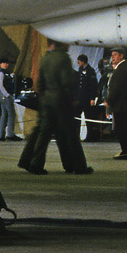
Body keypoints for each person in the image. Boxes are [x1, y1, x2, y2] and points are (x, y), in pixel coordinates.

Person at [18, 39, 91, 175]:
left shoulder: (46, 58)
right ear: (63, 43)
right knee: (70, 134)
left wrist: (44, 96)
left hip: (47, 100)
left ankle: (32, 162)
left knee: (42, 132)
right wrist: (72, 98)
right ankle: (78, 165)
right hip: (61, 101)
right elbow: (66, 81)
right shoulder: (64, 58)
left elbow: (40, 82)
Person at [0, 61, 22, 141]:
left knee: (4, 114)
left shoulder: (6, 73)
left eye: (7, 63)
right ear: (0, 64)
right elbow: (0, 85)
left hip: (3, 95)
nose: (6, 65)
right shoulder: (1, 73)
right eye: (3, 63)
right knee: (11, 114)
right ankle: (10, 134)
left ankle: (1, 135)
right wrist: (7, 95)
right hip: (4, 95)